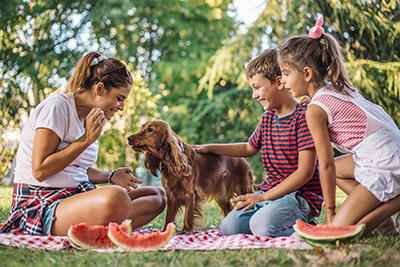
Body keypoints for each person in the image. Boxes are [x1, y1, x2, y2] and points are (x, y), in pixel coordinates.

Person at [0, 52, 166, 236]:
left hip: (76, 195)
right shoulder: (57, 107)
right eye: (119, 98)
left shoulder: (89, 118)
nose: (121, 107)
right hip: (41, 202)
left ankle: (99, 229)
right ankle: (105, 226)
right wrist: (86, 139)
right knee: (116, 197)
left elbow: (75, 168)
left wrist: (110, 176)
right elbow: (40, 171)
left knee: (158, 196)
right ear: (100, 88)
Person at [278, 17, 400, 234]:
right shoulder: (338, 87)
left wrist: (330, 211)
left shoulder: (315, 111)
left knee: (335, 231)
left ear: (307, 73)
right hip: (390, 150)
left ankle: (395, 202)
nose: (283, 81)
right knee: (339, 171)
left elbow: (325, 166)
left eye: (286, 74)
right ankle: (384, 222)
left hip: (383, 162)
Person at [195, 48, 323, 237]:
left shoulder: (303, 118)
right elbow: (248, 147)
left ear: (279, 82)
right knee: (228, 227)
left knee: (263, 227)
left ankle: (308, 225)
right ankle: (274, 217)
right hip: (269, 194)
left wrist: (262, 197)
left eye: (257, 87)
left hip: (299, 197)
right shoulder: (268, 118)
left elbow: (305, 173)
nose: (254, 95)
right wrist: (209, 147)